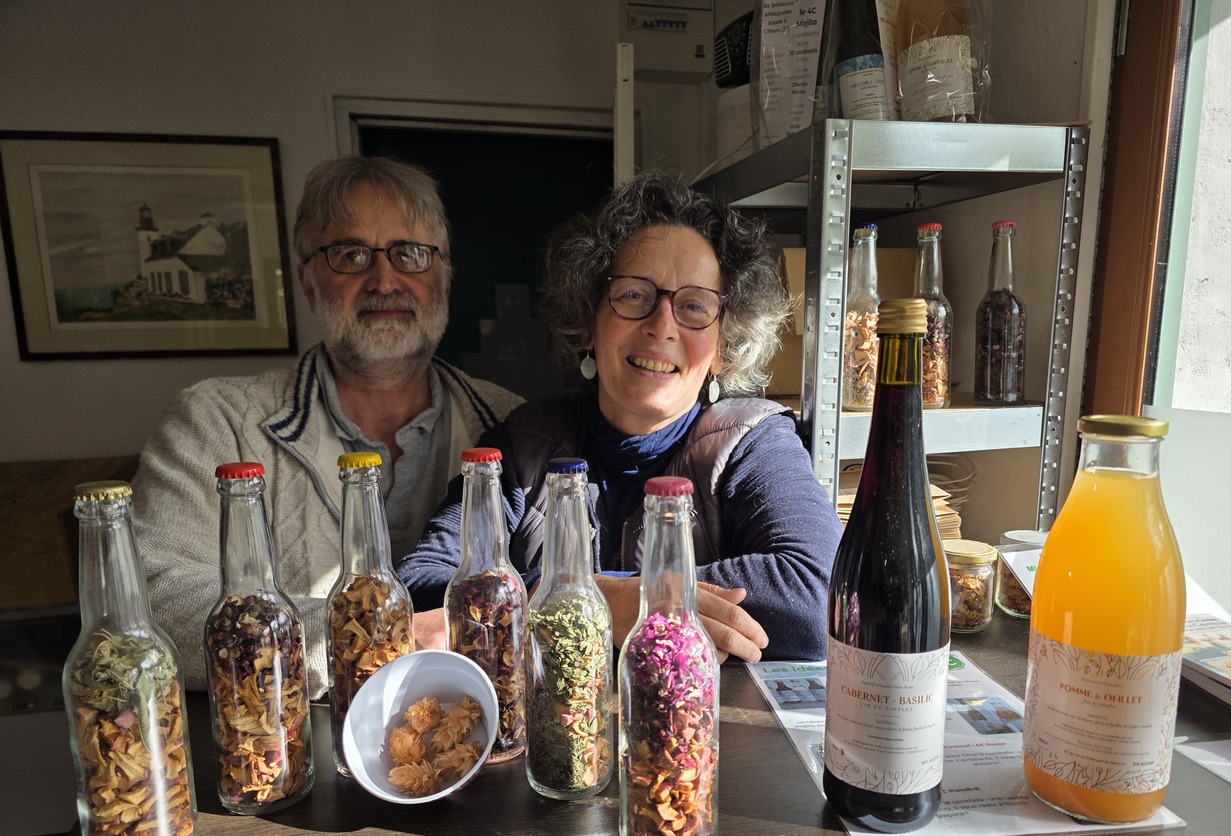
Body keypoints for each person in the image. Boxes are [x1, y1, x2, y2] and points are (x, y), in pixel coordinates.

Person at [398, 171, 841, 662]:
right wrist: (598, 600)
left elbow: (821, 595)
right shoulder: (521, 444)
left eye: (694, 305)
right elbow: (420, 586)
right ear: (588, 320)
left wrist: (638, 599)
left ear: (722, 348)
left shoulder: (753, 442)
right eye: (633, 295)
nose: (661, 326)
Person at [131, 156, 522, 695]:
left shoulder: (513, 425)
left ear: (445, 277)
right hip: (290, 742)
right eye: (351, 254)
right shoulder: (216, 422)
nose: (384, 280)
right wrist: (385, 638)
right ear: (309, 282)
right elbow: (151, 600)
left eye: (410, 254)